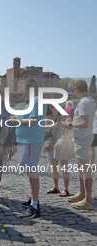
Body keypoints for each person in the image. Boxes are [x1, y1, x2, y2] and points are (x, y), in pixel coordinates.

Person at [15, 79, 47, 218]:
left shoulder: (36, 100)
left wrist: (17, 121)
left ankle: (35, 206)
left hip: (30, 141)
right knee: (30, 172)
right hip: (28, 141)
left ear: (28, 89)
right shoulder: (36, 100)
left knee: (31, 172)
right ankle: (33, 200)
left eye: (23, 89)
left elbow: (33, 122)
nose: (23, 91)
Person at [63, 80, 95, 210]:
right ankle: (82, 194)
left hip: (82, 138)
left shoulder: (83, 103)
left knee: (85, 169)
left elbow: (84, 123)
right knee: (82, 168)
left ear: (76, 89)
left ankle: (87, 200)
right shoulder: (90, 101)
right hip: (85, 137)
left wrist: (69, 124)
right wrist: (73, 121)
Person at [44, 104, 70, 197]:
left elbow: (70, 124)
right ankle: (55, 187)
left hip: (62, 142)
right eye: (50, 106)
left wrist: (65, 124)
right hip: (51, 142)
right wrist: (53, 125)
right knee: (54, 166)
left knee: (64, 166)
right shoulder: (48, 116)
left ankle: (66, 189)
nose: (52, 108)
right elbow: (44, 127)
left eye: (54, 106)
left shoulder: (63, 114)